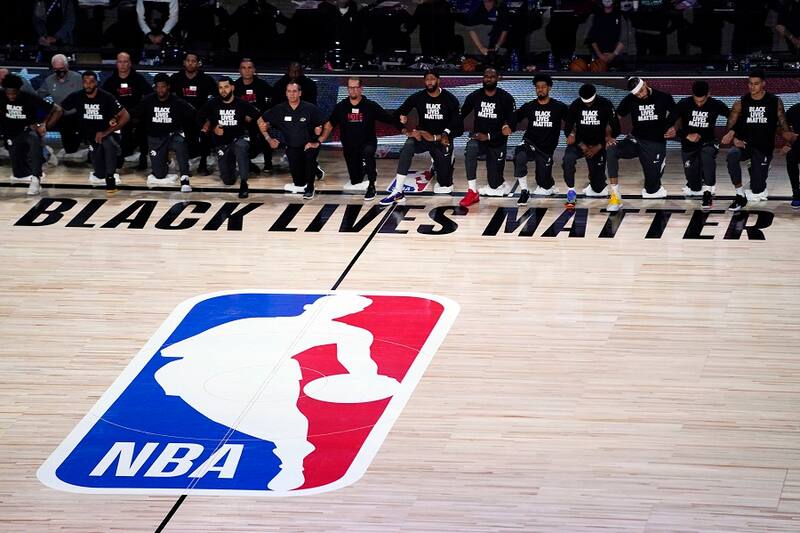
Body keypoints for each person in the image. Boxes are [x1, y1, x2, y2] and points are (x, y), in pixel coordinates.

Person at [154, 294, 396, 492]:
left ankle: (292, 464)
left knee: (286, 418)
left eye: (346, 309)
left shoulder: (349, 333)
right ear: (311, 306)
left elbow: (358, 362)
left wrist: (369, 379)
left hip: (271, 370)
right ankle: (293, 446)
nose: (337, 311)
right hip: (211, 369)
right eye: (334, 305)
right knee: (219, 407)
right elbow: (173, 351)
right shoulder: (252, 324)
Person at [380, 70, 461, 206]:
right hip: (422, 137)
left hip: (441, 139)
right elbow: (396, 115)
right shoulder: (418, 97)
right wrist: (406, 131)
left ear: (438, 80)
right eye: (427, 79)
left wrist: (440, 135)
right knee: (408, 145)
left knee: (445, 185)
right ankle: (398, 191)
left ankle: (442, 161)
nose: (429, 82)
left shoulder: (450, 99)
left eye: (432, 79)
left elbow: (459, 127)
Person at [722, 70, 797, 211]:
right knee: (732, 155)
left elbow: (784, 125)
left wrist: (788, 143)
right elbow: (730, 125)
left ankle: (758, 168)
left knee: (757, 189)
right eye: (750, 83)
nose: (752, 87)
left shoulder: (774, 101)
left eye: (756, 84)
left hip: (764, 147)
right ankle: (739, 194)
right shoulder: (741, 102)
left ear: (763, 84)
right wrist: (735, 139)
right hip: (745, 144)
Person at [318, 77, 395, 201]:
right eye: (350, 88)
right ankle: (364, 168)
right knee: (355, 180)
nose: (353, 90)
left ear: (361, 89)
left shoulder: (370, 105)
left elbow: (388, 118)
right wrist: (321, 138)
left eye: (355, 88)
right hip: (350, 146)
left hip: (367, 142)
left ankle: (371, 186)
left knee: (368, 153)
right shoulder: (341, 106)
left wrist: (401, 121)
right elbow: (330, 123)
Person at [606, 76, 675, 211]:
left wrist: (674, 128)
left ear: (645, 84)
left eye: (641, 91)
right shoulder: (630, 99)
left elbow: (677, 115)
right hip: (635, 140)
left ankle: (659, 165)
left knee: (651, 191)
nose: (641, 95)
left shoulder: (663, 97)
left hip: (655, 142)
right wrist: (608, 136)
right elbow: (614, 119)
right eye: (637, 94)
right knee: (611, 150)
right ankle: (615, 196)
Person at [60, 71, 130, 192]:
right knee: (99, 173)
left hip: (107, 132)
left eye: (91, 82)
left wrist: (106, 132)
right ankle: (103, 169)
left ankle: (111, 177)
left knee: (109, 144)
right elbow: (59, 109)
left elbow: (126, 116)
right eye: (85, 82)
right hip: (90, 135)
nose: (88, 85)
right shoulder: (77, 96)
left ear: (96, 83)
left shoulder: (106, 97)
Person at [665, 80, 729, 210]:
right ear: (692, 94)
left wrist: (731, 132)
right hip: (689, 145)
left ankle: (708, 192)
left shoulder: (715, 104)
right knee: (694, 188)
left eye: (702, 101)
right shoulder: (684, 103)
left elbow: (733, 116)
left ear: (708, 94)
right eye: (696, 100)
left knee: (707, 155)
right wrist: (686, 135)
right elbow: (668, 122)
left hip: (708, 142)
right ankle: (696, 182)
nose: (699, 103)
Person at [459, 67, 515, 207]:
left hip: (497, 141)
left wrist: (491, 134)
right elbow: (460, 115)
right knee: (470, 148)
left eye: (492, 76)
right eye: (486, 76)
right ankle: (472, 191)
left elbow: (512, 124)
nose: (489, 79)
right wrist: (447, 130)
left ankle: (499, 181)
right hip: (479, 140)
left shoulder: (506, 98)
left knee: (494, 184)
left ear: (498, 78)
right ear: (483, 78)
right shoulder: (475, 96)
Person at [259, 82, 325, 200]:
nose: (292, 94)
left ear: (300, 93)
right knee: (299, 183)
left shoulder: (310, 108)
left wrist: (317, 137)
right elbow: (261, 121)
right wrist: (268, 137)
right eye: (289, 91)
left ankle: (310, 188)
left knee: (309, 156)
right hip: (292, 146)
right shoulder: (279, 109)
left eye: (294, 91)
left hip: (309, 144)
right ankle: (316, 170)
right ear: (286, 93)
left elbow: (324, 125)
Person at [198, 77, 261, 199]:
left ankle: (244, 184)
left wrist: (267, 136)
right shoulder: (213, 103)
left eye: (226, 87)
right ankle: (246, 165)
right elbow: (199, 116)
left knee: (240, 147)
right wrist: (212, 128)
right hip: (223, 143)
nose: (223, 90)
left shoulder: (241, 103)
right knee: (228, 180)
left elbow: (258, 116)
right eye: (220, 88)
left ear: (232, 87)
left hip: (239, 138)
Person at [132, 72, 196, 192]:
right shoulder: (148, 100)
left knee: (180, 143)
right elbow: (134, 113)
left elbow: (193, 114)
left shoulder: (177, 101)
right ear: (155, 87)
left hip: (173, 136)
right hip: (155, 138)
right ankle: (165, 161)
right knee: (159, 175)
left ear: (168, 87)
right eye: (158, 87)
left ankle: (185, 177)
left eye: (163, 86)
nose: (160, 89)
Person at [0, 74, 62, 195]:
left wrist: (44, 125)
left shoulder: (29, 97)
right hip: (11, 133)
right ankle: (46, 154)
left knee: (34, 141)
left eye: (14, 93)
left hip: (28, 130)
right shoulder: (1, 95)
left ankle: (36, 179)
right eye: (8, 93)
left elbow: (57, 110)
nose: (11, 96)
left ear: (19, 90)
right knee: (19, 174)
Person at [512, 74, 569, 205]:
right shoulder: (530, 106)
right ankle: (524, 191)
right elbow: (514, 118)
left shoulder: (559, 107)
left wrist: (572, 133)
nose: (540, 89)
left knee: (545, 186)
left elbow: (572, 121)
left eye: (543, 87)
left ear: (549, 88)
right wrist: (506, 125)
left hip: (546, 148)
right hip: (529, 143)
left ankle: (548, 183)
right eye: (538, 87)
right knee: (519, 156)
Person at [562, 83, 618, 209]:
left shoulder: (606, 104)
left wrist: (599, 146)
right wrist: (580, 143)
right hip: (580, 143)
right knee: (568, 159)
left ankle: (594, 178)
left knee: (598, 189)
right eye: (585, 102)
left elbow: (616, 128)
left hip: (598, 145)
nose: (588, 104)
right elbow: (568, 128)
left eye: (590, 102)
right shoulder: (575, 105)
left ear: (595, 96)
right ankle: (571, 192)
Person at [102, 52, 153, 170]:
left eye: (125, 62)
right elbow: (103, 99)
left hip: (136, 115)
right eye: (120, 62)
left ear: (130, 63)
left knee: (142, 128)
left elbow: (150, 96)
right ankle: (119, 155)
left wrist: (139, 111)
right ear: (116, 64)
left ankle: (143, 157)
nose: (123, 65)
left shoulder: (139, 79)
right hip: (118, 115)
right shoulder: (110, 81)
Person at [170, 52, 216, 175]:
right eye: (188, 61)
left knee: (206, 131)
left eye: (193, 61)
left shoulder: (206, 79)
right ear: (184, 62)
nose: (190, 63)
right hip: (181, 117)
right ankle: (184, 165)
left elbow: (216, 100)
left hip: (201, 116)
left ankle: (203, 164)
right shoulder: (175, 78)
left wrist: (209, 119)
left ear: (198, 63)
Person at [37, 54, 83, 161]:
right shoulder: (49, 80)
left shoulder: (78, 78)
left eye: (61, 69)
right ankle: (42, 150)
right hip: (59, 114)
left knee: (72, 147)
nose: (59, 71)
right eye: (56, 69)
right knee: (38, 125)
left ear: (67, 66)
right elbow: (38, 96)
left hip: (76, 114)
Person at [234, 59, 273, 173]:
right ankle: (244, 162)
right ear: (239, 70)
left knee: (264, 133)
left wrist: (258, 115)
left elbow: (270, 102)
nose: (247, 70)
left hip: (259, 118)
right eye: (244, 68)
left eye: (249, 68)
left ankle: (268, 163)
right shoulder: (235, 86)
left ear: (254, 70)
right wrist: (243, 115)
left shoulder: (262, 85)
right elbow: (232, 104)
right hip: (241, 120)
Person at [586, 0, 624, 67]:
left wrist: (614, 54)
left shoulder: (620, 15)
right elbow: (591, 38)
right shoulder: (596, 16)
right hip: (598, 59)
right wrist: (600, 55)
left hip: (617, 58)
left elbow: (624, 38)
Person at [785, 101, 800, 208]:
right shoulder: (795, 109)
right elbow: (781, 125)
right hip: (798, 145)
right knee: (791, 156)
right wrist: (788, 138)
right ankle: (796, 193)